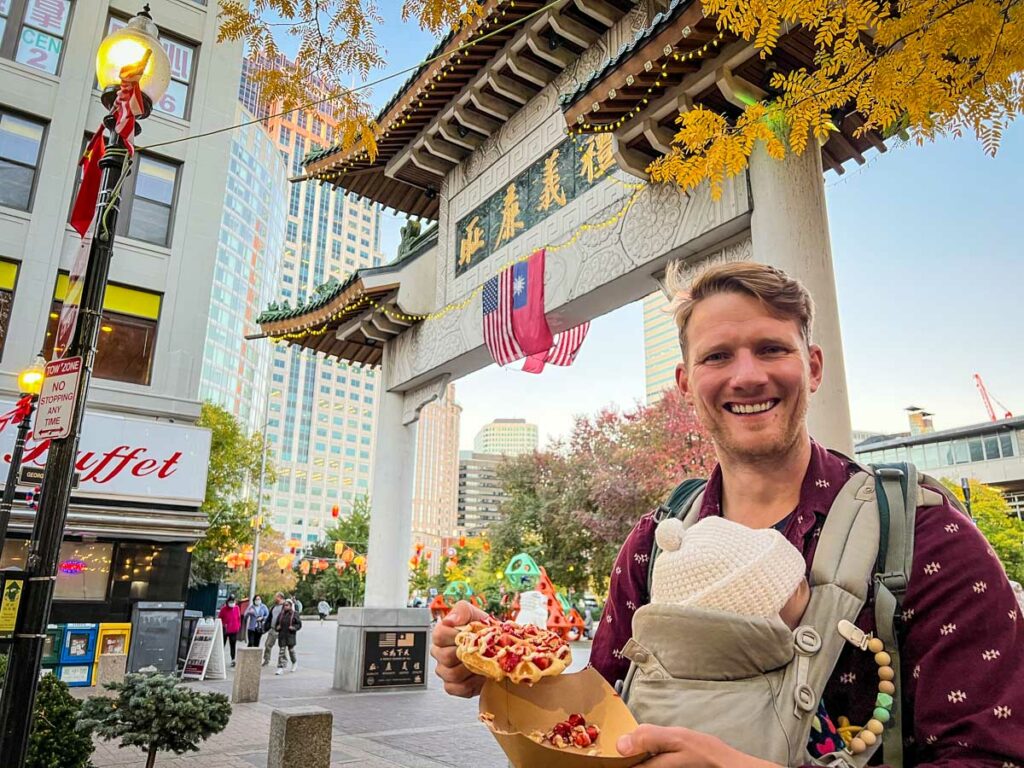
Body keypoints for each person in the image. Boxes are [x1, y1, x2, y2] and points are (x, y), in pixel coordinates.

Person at [431, 261, 1024, 767]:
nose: (747, 375)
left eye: (771, 348)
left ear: (813, 367)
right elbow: (599, 713)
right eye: (718, 356)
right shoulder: (651, 543)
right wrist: (504, 669)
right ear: (687, 382)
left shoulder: (925, 538)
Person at [274, 598, 300, 675]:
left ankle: (294, 662)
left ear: (290, 606)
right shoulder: (281, 614)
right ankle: (280, 667)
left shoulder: (294, 614)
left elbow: (299, 624)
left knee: (291, 650)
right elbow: (276, 624)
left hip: (290, 635)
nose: (285, 607)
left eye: (287, 605)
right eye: (284, 605)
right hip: (282, 635)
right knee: (281, 651)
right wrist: (277, 628)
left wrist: (294, 628)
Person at [217, 594, 241, 667]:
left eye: (233, 601)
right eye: (230, 601)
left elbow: (239, 618)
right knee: (222, 644)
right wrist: (223, 625)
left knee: (233, 644)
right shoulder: (223, 609)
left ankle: (233, 659)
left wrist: (238, 626)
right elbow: (219, 618)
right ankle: (219, 659)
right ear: (227, 602)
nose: (232, 603)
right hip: (225, 629)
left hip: (234, 630)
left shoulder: (237, 608)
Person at [262, 592, 285, 667]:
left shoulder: (285, 606)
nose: (275, 598)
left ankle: (281, 662)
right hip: (272, 629)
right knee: (268, 644)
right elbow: (270, 617)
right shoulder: (274, 607)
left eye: (276, 597)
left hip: (281, 630)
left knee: (282, 646)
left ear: (280, 597)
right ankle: (266, 660)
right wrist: (266, 627)